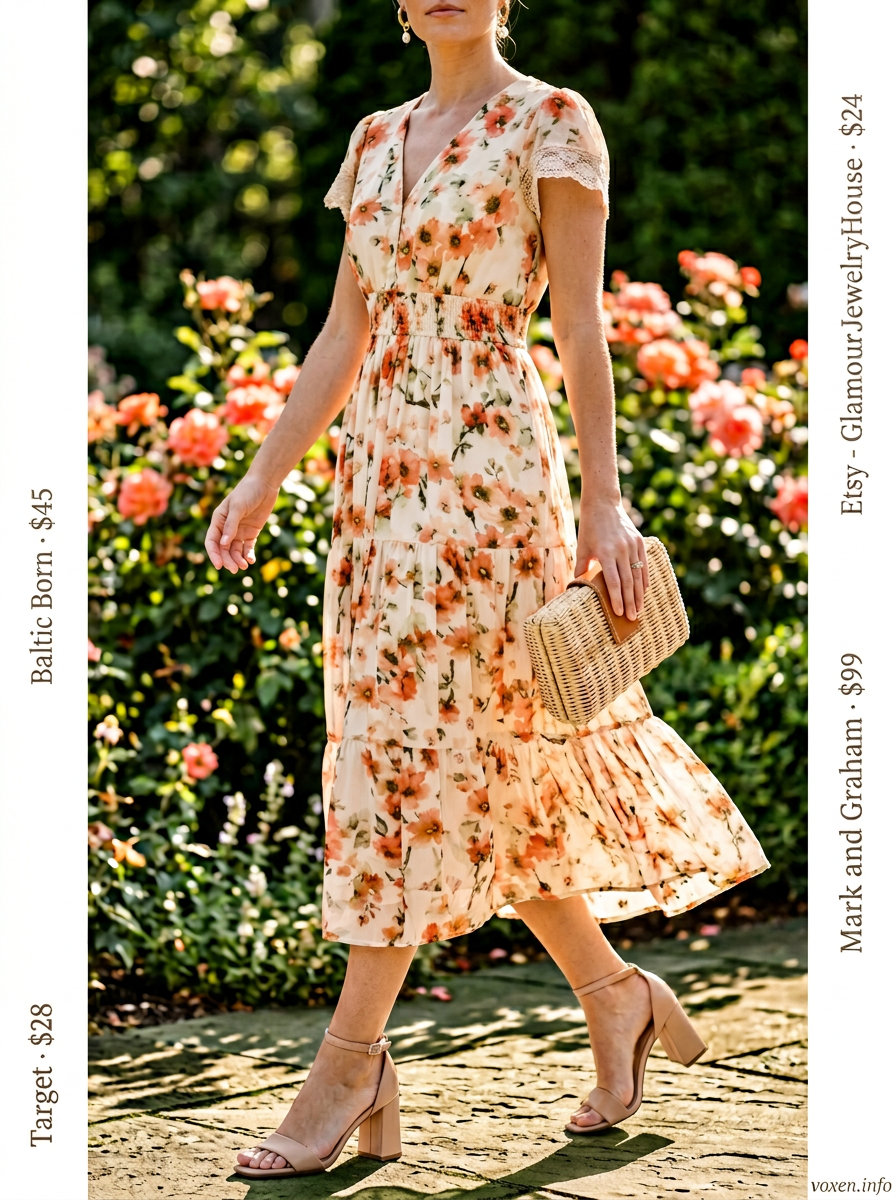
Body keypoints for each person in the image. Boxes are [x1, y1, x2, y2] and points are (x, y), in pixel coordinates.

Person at [204, 0, 770, 1180]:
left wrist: (603, 504)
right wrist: (262, 478)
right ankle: (614, 1000)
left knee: (431, 752)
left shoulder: (551, 123)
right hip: (376, 492)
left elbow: (577, 326)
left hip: (491, 483)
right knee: (447, 756)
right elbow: (340, 332)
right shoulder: (370, 139)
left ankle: (351, 1060)